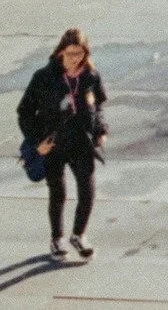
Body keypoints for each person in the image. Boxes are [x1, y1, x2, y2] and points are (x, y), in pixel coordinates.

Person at [17, 27, 106, 261]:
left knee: (87, 190)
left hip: (81, 142)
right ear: (60, 52)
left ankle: (79, 235)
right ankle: (57, 239)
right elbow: (24, 111)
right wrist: (37, 143)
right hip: (53, 144)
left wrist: (100, 130)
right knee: (58, 192)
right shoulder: (44, 78)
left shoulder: (90, 76)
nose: (74, 58)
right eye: (69, 53)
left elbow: (98, 106)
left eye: (79, 53)